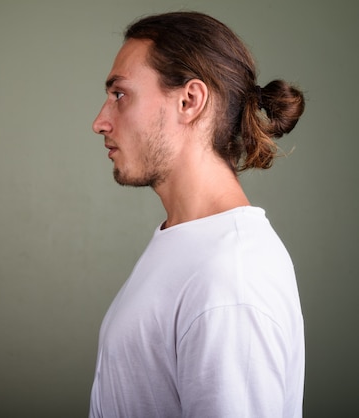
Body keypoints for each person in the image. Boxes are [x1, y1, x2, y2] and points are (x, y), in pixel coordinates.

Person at [89, 11, 305, 418]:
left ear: (189, 101)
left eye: (120, 95)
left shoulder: (233, 278)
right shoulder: (189, 243)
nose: (100, 122)